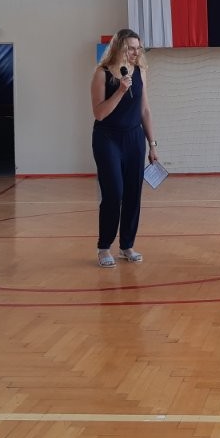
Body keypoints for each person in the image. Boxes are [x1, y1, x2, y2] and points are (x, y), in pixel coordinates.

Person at [91, 28, 158, 267]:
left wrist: (152, 144)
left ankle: (127, 245)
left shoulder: (140, 72)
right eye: (131, 48)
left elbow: (145, 110)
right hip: (107, 139)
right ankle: (104, 247)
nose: (135, 52)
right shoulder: (102, 73)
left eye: (138, 48)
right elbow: (99, 114)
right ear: (119, 47)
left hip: (134, 139)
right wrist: (120, 90)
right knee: (114, 193)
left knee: (133, 194)